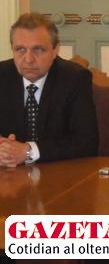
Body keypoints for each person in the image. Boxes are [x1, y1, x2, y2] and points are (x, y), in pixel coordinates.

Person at [0, 12, 98, 166]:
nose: (28, 59)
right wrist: (4, 148)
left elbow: (87, 142)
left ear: (54, 50)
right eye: (20, 49)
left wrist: (28, 151)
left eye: (38, 50)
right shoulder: (2, 75)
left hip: (57, 172)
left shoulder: (75, 79)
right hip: (8, 174)